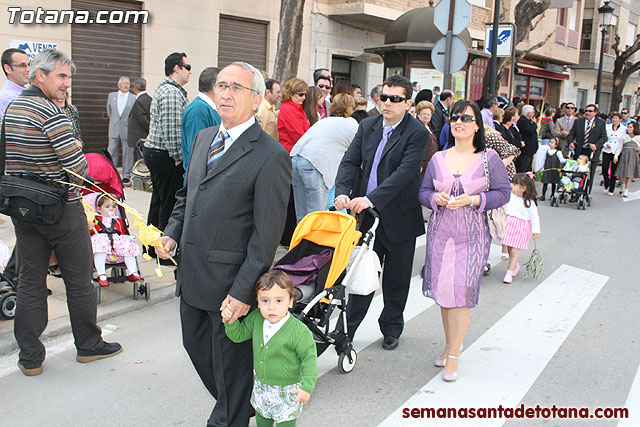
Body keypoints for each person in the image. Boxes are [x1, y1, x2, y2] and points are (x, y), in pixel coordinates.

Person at [155, 62, 291, 427]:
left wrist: (244, 292)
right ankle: (242, 405)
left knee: (230, 373)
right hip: (192, 277)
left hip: (231, 287)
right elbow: (187, 195)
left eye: (236, 88)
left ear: (257, 99)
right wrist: (171, 231)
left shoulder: (270, 155)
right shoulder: (205, 138)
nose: (226, 93)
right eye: (221, 85)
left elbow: (265, 238)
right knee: (198, 351)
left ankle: (231, 414)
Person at [4, 48, 121, 376]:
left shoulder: (13, 108)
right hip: (61, 207)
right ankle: (88, 345)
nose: (67, 84)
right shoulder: (50, 113)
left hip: (22, 207)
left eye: (69, 77)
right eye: (62, 76)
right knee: (79, 279)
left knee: (29, 280)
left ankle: (30, 357)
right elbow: (80, 168)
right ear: (39, 75)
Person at [334, 74, 428, 350]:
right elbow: (350, 161)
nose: (387, 103)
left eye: (395, 99)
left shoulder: (417, 133)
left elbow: (404, 173)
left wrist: (371, 199)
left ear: (408, 103)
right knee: (360, 275)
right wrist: (342, 191)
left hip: (399, 215)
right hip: (366, 216)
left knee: (396, 279)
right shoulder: (368, 125)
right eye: (383, 97)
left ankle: (391, 328)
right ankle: (346, 333)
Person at [419, 100, 511, 381]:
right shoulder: (438, 159)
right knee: (445, 295)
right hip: (440, 234)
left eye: (466, 118)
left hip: (472, 237)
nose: (459, 122)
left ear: (476, 125)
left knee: (461, 294)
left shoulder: (489, 158)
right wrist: (436, 198)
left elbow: (503, 193)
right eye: (454, 117)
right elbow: (423, 192)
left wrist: (474, 199)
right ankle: (449, 345)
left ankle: (455, 355)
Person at [223, 270, 318, 427]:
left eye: (279, 301)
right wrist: (230, 320)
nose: (271, 307)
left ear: (290, 302)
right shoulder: (257, 319)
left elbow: (309, 360)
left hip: (288, 393)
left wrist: (306, 388)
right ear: (258, 302)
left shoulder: (299, 331)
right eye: (265, 301)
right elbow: (238, 335)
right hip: (262, 389)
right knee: (262, 423)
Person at [290, 93, 358, 222]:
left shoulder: (324, 121)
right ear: (351, 108)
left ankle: (301, 241)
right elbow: (359, 153)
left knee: (303, 218)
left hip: (296, 158)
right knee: (316, 217)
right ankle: (313, 242)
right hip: (315, 164)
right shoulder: (352, 124)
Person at [143, 52, 190, 231]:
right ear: (176, 68)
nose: (189, 72)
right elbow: (171, 129)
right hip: (165, 156)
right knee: (169, 204)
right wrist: (178, 156)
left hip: (159, 153)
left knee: (159, 200)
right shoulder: (171, 92)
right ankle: (164, 248)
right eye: (188, 67)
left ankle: (152, 245)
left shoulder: (170, 90)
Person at [90, 194, 143, 287]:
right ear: (99, 209)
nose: (111, 209)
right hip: (102, 249)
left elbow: (123, 233)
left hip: (117, 249)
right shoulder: (96, 220)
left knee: (128, 243)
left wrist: (128, 239)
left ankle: (133, 272)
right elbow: (91, 232)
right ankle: (101, 274)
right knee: (99, 240)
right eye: (107, 207)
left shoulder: (118, 221)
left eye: (114, 207)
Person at [501, 173, 540, 284]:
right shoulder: (510, 195)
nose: (511, 185)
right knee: (509, 248)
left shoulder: (529, 202)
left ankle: (509, 273)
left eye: (514, 184)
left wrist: (535, 230)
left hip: (520, 228)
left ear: (523, 188)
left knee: (514, 251)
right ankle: (515, 265)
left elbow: (534, 217)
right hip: (509, 225)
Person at [181, 67, 221, 170]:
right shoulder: (198, 111)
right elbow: (197, 153)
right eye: (223, 86)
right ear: (215, 87)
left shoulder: (209, 108)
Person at [567, 103, 607, 194]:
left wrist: (596, 145)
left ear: (595, 113)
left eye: (590, 111)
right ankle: (575, 192)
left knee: (589, 174)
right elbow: (571, 134)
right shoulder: (579, 121)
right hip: (580, 150)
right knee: (577, 172)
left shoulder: (600, 123)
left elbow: (604, 137)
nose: (588, 113)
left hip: (592, 151)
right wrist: (571, 143)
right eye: (586, 111)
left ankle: (586, 193)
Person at [106, 76, 136, 183]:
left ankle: (126, 175)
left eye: (128, 83)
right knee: (112, 151)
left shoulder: (133, 98)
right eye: (124, 83)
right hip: (114, 128)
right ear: (118, 85)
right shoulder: (111, 96)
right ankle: (110, 173)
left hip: (127, 129)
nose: (126, 85)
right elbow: (110, 112)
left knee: (128, 153)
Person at [278, 78, 310, 153]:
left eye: (305, 94)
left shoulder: (294, 108)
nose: (304, 97)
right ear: (291, 93)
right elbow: (298, 135)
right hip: (292, 151)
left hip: (295, 150)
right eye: (301, 95)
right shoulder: (289, 109)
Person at [127, 77, 152, 164]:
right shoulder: (149, 99)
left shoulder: (139, 101)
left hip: (139, 138)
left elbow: (143, 119)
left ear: (135, 87)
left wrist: (150, 128)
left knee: (139, 161)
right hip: (144, 137)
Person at [614, 121, 640, 198]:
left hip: (633, 156)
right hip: (624, 155)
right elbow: (620, 147)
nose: (629, 128)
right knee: (622, 173)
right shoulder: (624, 136)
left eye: (631, 127)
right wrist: (616, 156)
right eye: (628, 127)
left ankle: (626, 190)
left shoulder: (638, 137)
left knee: (629, 173)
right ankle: (622, 185)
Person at [602, 112, 626, 195]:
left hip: (617, 150)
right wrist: (605, 144)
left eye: (616, 118)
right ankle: (606, 182)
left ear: (620, 119)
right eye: (613, 118)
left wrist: (618, 153)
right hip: (607, 149)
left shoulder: (623, 129)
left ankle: (611, 188)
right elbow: (603, 137)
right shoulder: (607, 127)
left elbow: (622, 141)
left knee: (614, 170)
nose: (614, 120)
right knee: (604, 168)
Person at [0, 48, 29, 115]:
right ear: (7, 68)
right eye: (22, 65)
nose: (28, 69)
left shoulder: (22, 92)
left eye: (29, 64)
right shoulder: (9, 97)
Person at [415, 100, 439, 176]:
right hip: (422, 166)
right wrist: (419, 164)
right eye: (424, 114)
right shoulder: (417, 128)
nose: (426, 116)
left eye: (428, 114)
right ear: (418, 114)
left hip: (430, 165)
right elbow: (416, 147)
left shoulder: (428, 127)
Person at [515, 105, 538, 173]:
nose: (534, 114)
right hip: (526, 150)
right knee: (523, 168)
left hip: (530, 150)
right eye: (533, 112)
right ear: (528, 113)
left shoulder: (528, 121)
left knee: (528, 168)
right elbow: (530, 131)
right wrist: (534, 123)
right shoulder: (522, 121)